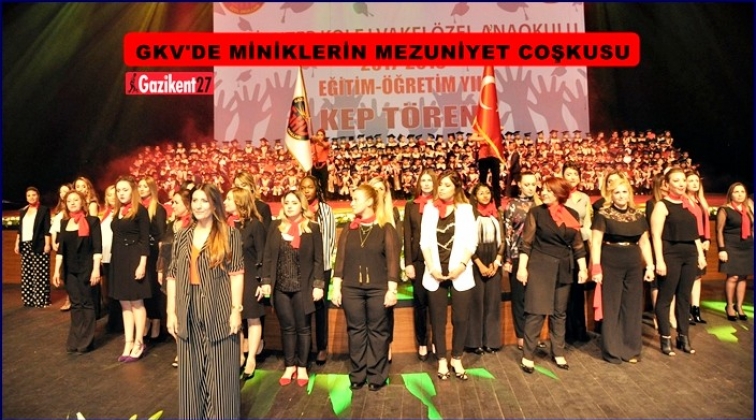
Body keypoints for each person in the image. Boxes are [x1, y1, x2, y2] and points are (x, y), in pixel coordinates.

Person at [166, 184, 244, 419]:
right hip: (187, 307)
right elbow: (172, 275)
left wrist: (236, 310)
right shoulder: (182, 235)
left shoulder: (230, 234)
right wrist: (171, 312)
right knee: (190, 375)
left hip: (218, 307)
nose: (198, 206)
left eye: (204, 201)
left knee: (220, 374)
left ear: (214, 204)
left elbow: (237, 274)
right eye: (195, 201)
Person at [331, 184, 400, 391]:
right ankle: (358, 374)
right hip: (352, 289)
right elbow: (340, 261)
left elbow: (392, 261)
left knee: (378, 332)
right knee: (356, 331)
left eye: (356, 199)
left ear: (369, 202)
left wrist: (392, 289)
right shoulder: (349, 229)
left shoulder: (385, 228)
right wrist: (336, 287)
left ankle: (376, 376)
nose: (351, 203)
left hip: (378, 289)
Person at [516, 177, 588, 373]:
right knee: (536, 312)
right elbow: (527, 243)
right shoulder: (536, 213)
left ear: (560, 193)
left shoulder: (571, 213)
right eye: (544, 190)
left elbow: (577, 244)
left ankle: (558, 352)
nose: (544, 193)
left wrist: (582, 268)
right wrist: (522, 268)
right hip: (540, 266)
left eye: (550, 190)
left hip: (564, 267)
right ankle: (528, 356)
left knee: (559, 313)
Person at [261, 191, 324, 387]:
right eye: (286, 203)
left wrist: (318, 285)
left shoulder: (312, 228)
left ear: (302, 205)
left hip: (302, 286)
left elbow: (318, 259)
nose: (289, 206)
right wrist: (266, 280)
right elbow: (268, 256)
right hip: (281, 286)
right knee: (287, 328)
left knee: (303, 328)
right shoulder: (275, 227)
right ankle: (290, 366)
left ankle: (302, 366)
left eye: (294, 203)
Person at [420, 170, 478, 381]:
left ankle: (456, 358)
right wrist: (432, 268)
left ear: (456, 188)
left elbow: (472, 241)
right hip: (435, 270)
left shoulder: (466, 210)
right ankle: (442, 360)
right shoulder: (429, 208)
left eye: (447, 185)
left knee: (460, 318)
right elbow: (424, 242)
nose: (442, 188)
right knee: (438, 319)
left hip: (460, 270)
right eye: (441, 185)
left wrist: (462, 265)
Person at [590, 177, 655, 364]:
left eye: (624, 192)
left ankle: (631, 350)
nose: (621, 196)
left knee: (633, 306)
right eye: (617, 192)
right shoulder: (603, 214)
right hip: (611, 260)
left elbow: (644, 242)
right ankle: (612, 350)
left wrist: (650, 265)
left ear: (629, 194)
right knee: (612, 306)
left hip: (633, 262)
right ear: (611, 195)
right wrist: (596, 268)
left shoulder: (637, 215)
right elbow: (596, 243)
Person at [650, 168, 707, 356]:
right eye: (676, 180)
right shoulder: (662, 205)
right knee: (666, 297)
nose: (682, 184)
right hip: (671, 254)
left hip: (690, 254)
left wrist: (700, 255)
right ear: (667, 184)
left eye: (683, 180)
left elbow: (695, 234)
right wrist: (659, 260)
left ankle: (683, 337)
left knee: (684, 297)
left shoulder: (688, 203)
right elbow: (656, 235)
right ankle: (665, 337)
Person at [51, 190, 103, 353]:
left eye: (76, 200)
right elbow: (61, 250)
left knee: (87, 303)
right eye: (69, 201)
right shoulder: (64, 223)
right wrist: (56, 271)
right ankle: (76, 338)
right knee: (76, 304)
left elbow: (97, 248)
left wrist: (96, 270)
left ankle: (87, 341)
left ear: (82, 202)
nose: (72, 203)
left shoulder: (92, 221)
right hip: (70, 270)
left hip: (86, 268)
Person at [224, 187, 266, 380]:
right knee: (236, 318)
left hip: (250, 276)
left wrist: (261, 280)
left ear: (239, 202)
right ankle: (239, 355)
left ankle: (251, 358)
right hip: (230, 277)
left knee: (252, 318)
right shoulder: (225, 225)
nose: (225, 202)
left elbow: (262, 254)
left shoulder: (255, 225)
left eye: (229, 199)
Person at [108, 176, 150, 362]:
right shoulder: (117, 211)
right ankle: (128, 341)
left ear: (132, 191)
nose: (121, 193)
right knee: (124, 303)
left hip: (134, 258)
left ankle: (139, 342)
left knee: (136, 302)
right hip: (119, 259)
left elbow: (144, 239)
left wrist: (142, 264)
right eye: (118, 190)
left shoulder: (140, 210)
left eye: (125, 190)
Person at [299, 175, 336, 366]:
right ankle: (304, 347)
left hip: (321, 266)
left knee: (320, 308)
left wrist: (321, 268)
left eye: (310, 187)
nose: (306, 190)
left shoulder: (325, 210)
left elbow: (329, 241)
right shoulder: (297, 210)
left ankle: (322, 347)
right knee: (302, 307)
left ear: (317, 189)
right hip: (301, 267)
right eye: (303, 187)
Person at [465, 183, 504, 354]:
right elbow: (467, 242)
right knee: (476, 302)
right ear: (475, 196)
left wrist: (497, 261)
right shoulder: (470, 214)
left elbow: (503, 240)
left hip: (493, 259)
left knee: (492, 302)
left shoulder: (497, 213)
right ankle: (474, 343)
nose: (485, 196)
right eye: (481, 193)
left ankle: (491, 342)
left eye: (488, 192)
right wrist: (479, 264)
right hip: (475, 259)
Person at [403, 168, 437, 361]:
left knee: (436, 303)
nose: (426, 184)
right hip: (418, 261)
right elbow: (407, 235)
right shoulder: (411, 206)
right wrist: (408, 263)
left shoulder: (440, 204)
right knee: (421, 303)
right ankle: (422, 342)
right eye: (423, 180)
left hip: (436, 260)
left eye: (429, 180)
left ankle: (437, 341)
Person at [367, 175, 402, 363]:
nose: (378, 192)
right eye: (375, 189)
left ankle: (387, 345)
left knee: (386, 313)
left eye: (381, 189)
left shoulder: (392, 214)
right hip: (367, 272)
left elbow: (397, 246)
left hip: (386, 273)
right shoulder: (362, 215)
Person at [503, 172, 540, 350]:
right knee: (519, 298)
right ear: (520, 185)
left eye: (533, 184)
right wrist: (508, 259)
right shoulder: (512, 205)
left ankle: (532, 334)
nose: (530, 187)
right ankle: (521, 335)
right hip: (518, 255)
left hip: (538, 256)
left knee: (535, 297)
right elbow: (507, 233)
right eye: (527, 184)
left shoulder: (541, 204)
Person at [158, 188, 193, 368]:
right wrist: (160, 269)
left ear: (187, 204)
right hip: (171, 272)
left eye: (176, 202)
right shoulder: (172, 224)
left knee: (188, 313)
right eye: (172, 202)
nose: (173, 205)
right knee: (175, 314)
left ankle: (190, 350)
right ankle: (182, 348)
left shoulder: (194, 224)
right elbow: (164, 248)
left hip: (189, 273)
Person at [563, 163, 593, 344]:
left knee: (578, 288)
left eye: (575, 174)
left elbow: (588, 223)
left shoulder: (584, 198)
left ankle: (580, 330)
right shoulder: (559, 195)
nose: (572, 177)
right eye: (568, 174)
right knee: (565, 289)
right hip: (564, 246)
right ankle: (566, 332)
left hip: (580, 246)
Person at [717, 182, 753, 321]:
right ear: (730, 194)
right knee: (733, 277)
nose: (739, 194)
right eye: (736, 192)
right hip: (731, 246)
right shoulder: (724, 209)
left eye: (742, 192)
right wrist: (722, 249)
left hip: (747, 246)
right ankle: (730, 306)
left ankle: (739, 306)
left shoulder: (747, 209)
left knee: (743, 276)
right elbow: (719, 231)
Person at [138, 176, 168, 342]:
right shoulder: (137, 208)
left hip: (155, 254)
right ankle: (148, 319)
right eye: (139, 186)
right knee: (144, 288)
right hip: (141, 253)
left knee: (154, 288)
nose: (141, 189)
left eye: (145, 186)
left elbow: (162, 235)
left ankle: (156, 321)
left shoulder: (158, 208)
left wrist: (161, 261)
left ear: (151, 188)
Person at [14, 186, 52, 307]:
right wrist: (17, 243)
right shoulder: (23, 211)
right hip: (25, 243)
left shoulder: (43, 210)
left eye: (34, 195)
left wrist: (47, 244)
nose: (31, 197)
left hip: (39, 243)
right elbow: (20, 229)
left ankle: (41, 300)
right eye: (28, 195)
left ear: (38, 196)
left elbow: (47, 228)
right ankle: (28, 300)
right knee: (27, 273)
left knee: (40, 272)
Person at [684, 171, 710, 324]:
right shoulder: (683, 201)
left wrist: (707, 239)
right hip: (690, 241)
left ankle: (696, 310)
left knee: (697, 278)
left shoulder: (701, 201)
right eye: (691, 180)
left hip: (702, 241)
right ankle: (685, 309)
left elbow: (705, 223)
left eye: (696, 181)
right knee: (688, 277)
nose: (694, 183)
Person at [100, 185, 123, 333]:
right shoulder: (106, 214)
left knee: (117, 290)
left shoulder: (123, 212)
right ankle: (113, 321)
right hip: (106, 257)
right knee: (110, 291)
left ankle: (119, 323)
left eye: (115, 194)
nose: (112, 197)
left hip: (118, 257)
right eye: (109, 195)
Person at [50, 183, 73, 311]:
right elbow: (54, 228)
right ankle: (69, 297)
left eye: (65, 191)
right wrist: (53, 242)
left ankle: (70, 299)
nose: (63, 194)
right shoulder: (59, 209)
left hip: (69, 243)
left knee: (69, 272)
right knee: (63, 272)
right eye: (61, 192)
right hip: (60, 243)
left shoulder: (72, 208)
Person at [311, 128, 331, 199]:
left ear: (324, 136)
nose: (319, 136)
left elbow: (324, 145)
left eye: (321, 135)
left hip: (322, 165)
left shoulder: (326, 143)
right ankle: (316, 196)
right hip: (315, 165)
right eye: (318, 135)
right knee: (314, 182)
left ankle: (324, 196)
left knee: (324, 182)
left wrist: (316, 140)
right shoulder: (313, 145)